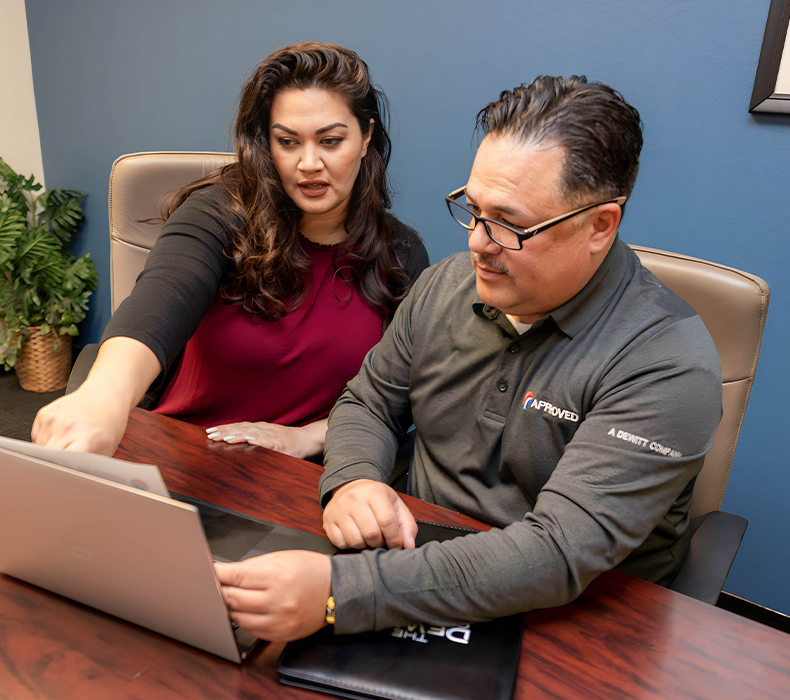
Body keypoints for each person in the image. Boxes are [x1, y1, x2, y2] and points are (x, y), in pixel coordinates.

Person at [212, 75, 722, 642]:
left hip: (572, 617)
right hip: (413, 564)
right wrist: (353, 479)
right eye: (473, 209)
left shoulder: (668, 362)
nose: (477, 242)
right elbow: (369, 403)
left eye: (509, 223)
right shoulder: (446, 285)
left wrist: (342, 593)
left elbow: (558, 551)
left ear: (600, 225)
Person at [31, 42, 429, 459]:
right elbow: (159, 302)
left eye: (330, 141)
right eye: (288, 142)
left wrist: (305, 438)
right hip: (180, 453)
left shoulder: (402, 255)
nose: (309, 163)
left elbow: (393, 398)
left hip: (301, 476)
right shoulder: (218, 213)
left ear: (365, 138)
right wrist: (103, 398)